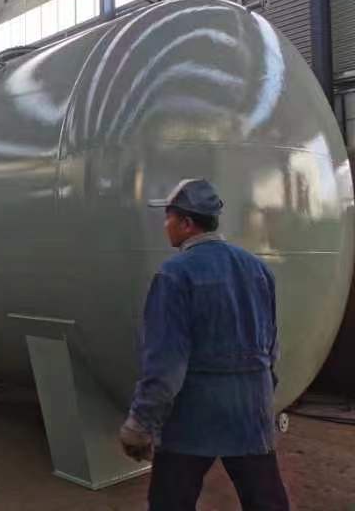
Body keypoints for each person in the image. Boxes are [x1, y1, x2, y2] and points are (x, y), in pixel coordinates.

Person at [118, 178, 290, 511]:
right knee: (266, 500)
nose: (165, 226)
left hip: (194, 415)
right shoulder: (257, 268)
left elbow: (165, 365)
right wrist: (263, 398)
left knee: (171, 501)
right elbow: (271, 347)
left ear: (186, 223)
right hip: (250, 411)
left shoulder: (174, 275)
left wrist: (141, 423)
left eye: (168, 218)